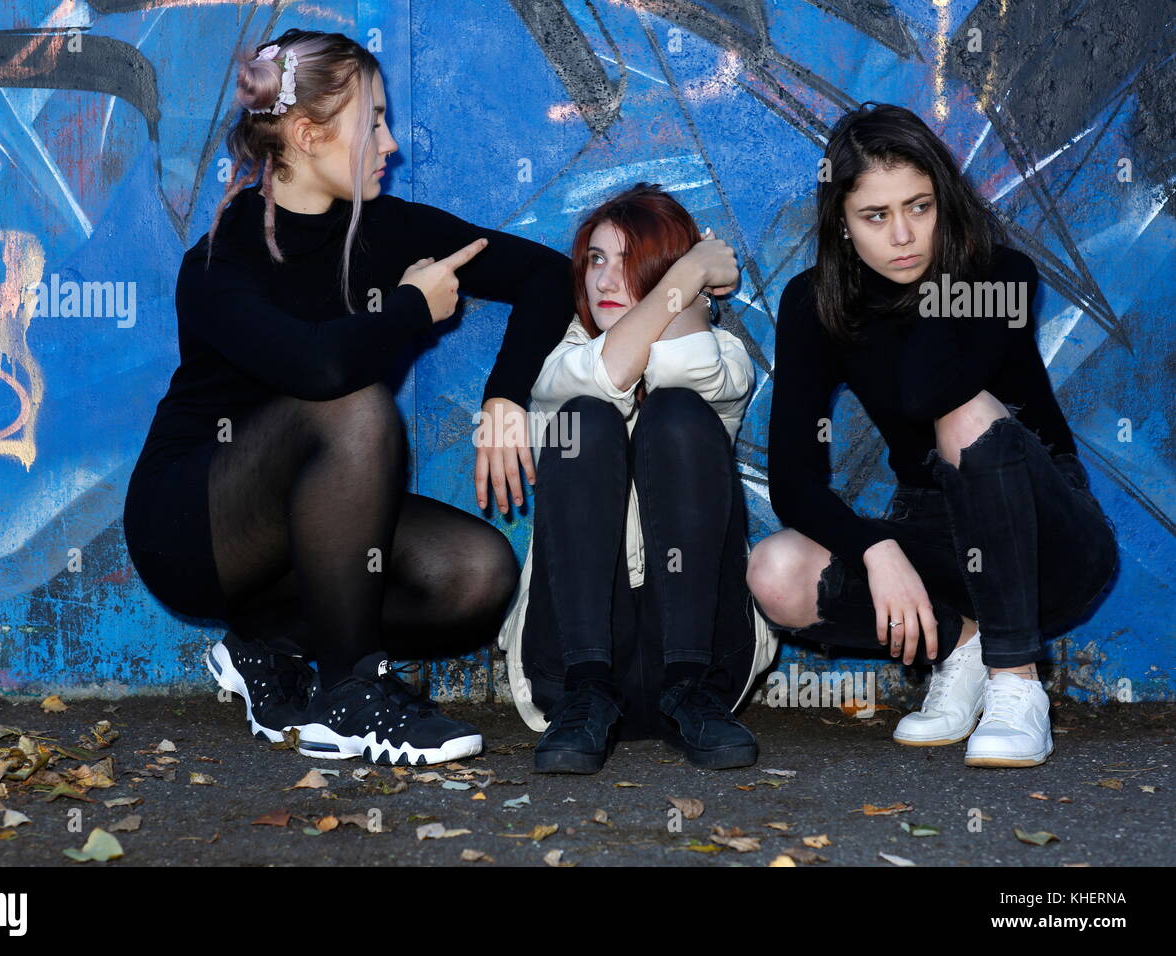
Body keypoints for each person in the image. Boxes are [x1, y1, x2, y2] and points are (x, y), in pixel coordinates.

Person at [122, 29, 575, 767]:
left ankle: (268, 650)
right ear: (305, 133)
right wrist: (406, 308)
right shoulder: (219, 259)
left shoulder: (389, 230)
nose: (391, 143)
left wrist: (505, 399)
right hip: (196, 521)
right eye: (373, 123)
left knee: (476, 574)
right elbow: (318, 369)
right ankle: (350, 693)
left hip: (302, 537)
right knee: (356, 404)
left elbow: (547, 276)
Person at [747, 102, 1119, 768]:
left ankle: (1016, 682)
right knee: (776, 570)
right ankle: (965, 645)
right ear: (840, 219)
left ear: (945, 201)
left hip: (1050, 542)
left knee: (965, 414)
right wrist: (876, 545)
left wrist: (942, 273)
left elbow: (928, 392)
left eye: (920, 207)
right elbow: (794, 483)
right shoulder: (814, 303)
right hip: (935, 535)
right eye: (876, 216)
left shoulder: (1000, 276)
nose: (902, 237)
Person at [497, 183, 778, 773]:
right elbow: (608, 373)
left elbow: (676, 364)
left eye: (628, 263)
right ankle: (589, 687)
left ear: (664, 269)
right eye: (596, 259)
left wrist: (687, 286)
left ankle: (687, 685)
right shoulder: (560, 361)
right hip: (571, 666)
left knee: (676, 411)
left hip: (706, 656)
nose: (603, 281)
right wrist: (692, 271)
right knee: (586, 420)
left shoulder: (723, 353)